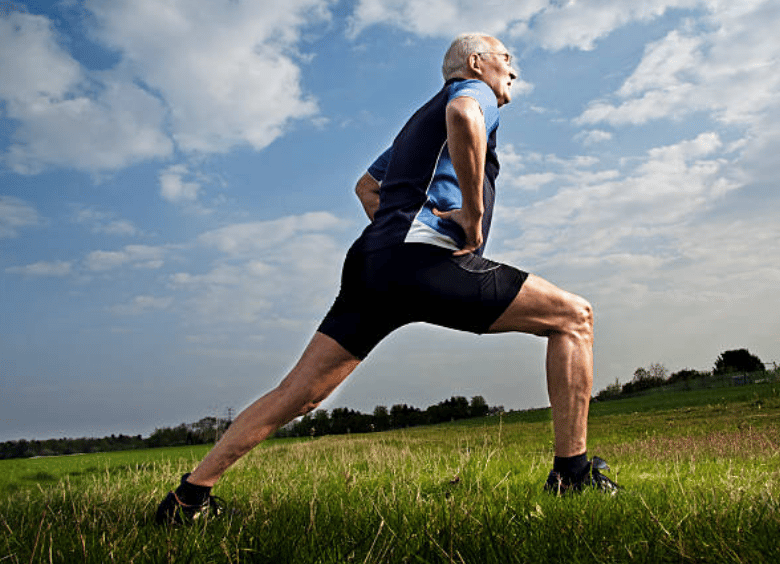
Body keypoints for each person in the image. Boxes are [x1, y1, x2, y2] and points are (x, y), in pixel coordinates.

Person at [156, 32, 617, 525]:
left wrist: (399, 233)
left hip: (372, 263)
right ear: (477, 62)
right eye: (506, 58)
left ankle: (187, 499)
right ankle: (572, 476)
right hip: (423, 262)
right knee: (573, 317)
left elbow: (366, 186)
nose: (513, 69)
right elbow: (465, 117)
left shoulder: (415, 125)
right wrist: (472, 216)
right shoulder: (470, 92)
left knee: (301, 393)